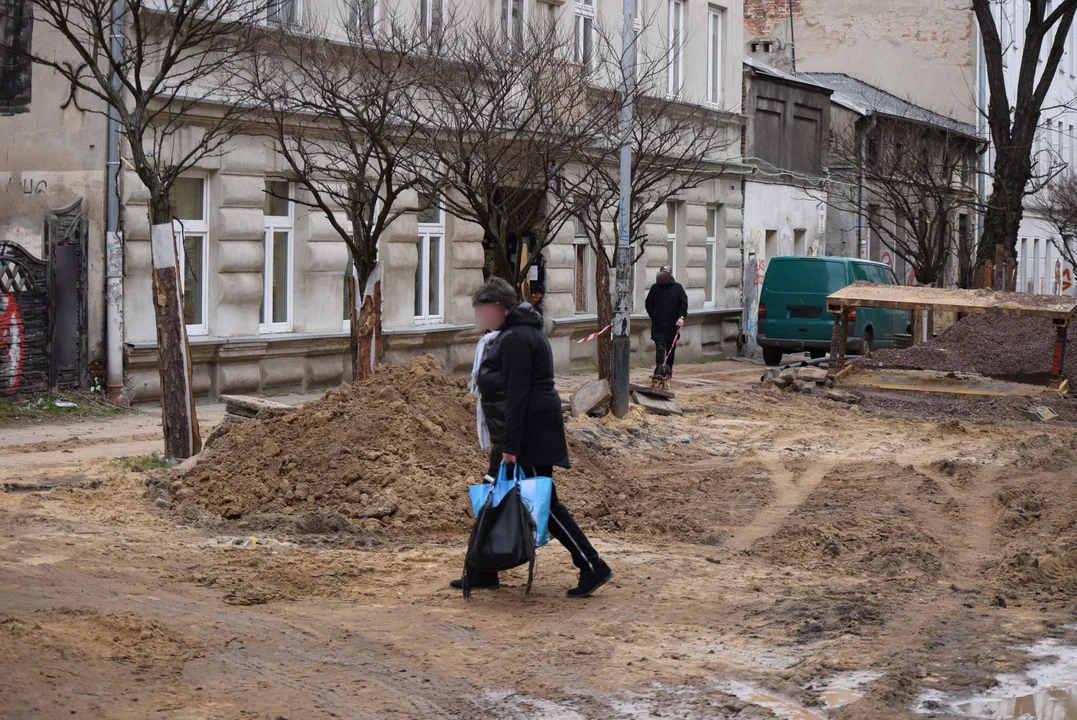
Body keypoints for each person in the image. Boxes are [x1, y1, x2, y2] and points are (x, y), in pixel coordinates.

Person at [451, 277, 614, 598]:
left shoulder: (515, 339)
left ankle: (592, 564)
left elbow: (517, 396)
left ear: (498, 308)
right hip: (524, 433)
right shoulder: (517, 333)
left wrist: (510, 446)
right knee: (497, 496)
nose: (478, 317)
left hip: (528, 436)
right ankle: (483, 569)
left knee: (544, 505)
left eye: (481, 310)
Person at [645, 265, 688, 377]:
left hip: (672, 326)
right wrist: (654, 315)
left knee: (670, 350)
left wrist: (681, 317)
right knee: (660, 349)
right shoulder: (655, 288)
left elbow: (683, 305)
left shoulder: (678, 288)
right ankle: (659, 372)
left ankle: (668, 372)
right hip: (658, 325)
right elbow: (648, 304)